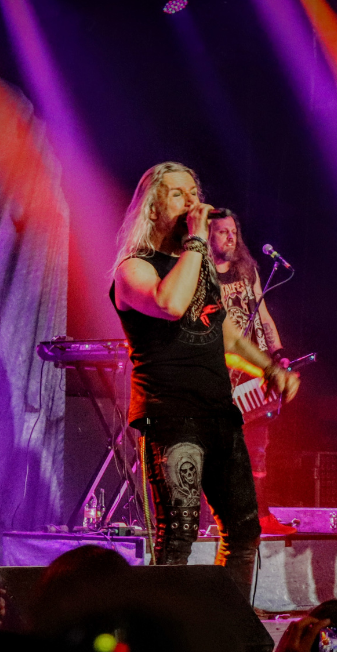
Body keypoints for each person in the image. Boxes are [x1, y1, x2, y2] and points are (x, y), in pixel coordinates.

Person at [110, 162, 299, 593]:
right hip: (171, 416)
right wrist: (197, 240)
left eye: (195, 193)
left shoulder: (200, 267)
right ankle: (168, 629)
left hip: (219, 413)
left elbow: (225, 334)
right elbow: (171, 304)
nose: (193, 203)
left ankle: (226, 621)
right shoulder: (133, 268)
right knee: (178, 534)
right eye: (179, 194)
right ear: (152, 209)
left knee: (244, 532)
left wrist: (269, 367)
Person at [207, 209, 296, 536]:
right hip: (220, 373)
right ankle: (218, 520)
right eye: (222, 231)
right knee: (220, 450)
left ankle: (261, 516)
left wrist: (277, 355)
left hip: (255, 371)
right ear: (208, 235)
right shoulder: (201, 274)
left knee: (258, 448)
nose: (230, 237)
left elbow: (264, 315)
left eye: (234, 231)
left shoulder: (247, 270)